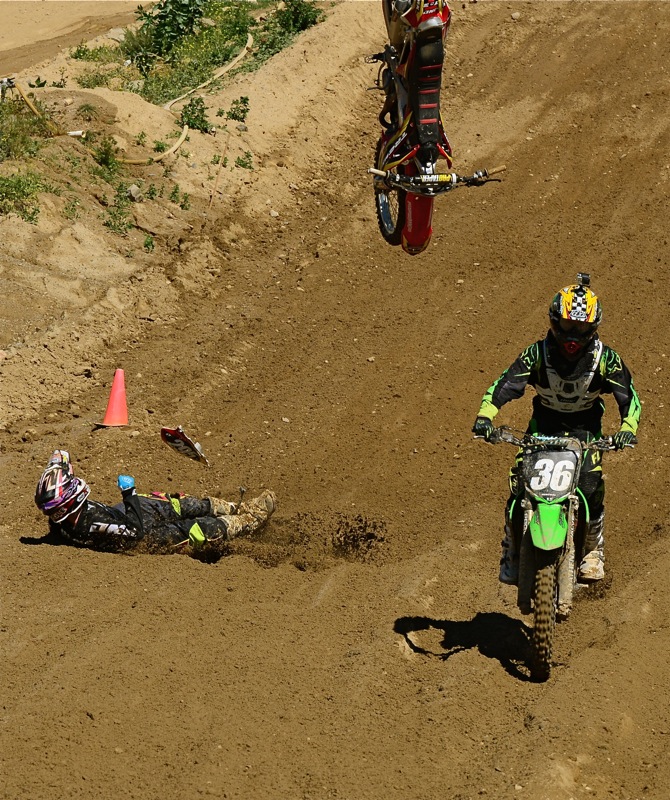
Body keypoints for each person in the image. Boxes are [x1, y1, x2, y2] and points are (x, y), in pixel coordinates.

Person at [472, 274, 640, 584]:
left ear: (593, 327)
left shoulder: (606, 359)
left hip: (585, 431)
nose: (573, 335)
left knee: (590, 483)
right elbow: (505, 385)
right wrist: (485, 417)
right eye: (567, 325)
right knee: (519, 484)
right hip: (542, 429)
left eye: (581, 328)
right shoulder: (537, 354)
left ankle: (593, 549)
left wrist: (627, 428)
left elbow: (628, 397)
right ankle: (511, 547)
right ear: (554, 320)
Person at [34, 449, 276, 559]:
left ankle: (235, 507)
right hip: (143, 536)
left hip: (121, 517)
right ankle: (248, 520)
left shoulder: (61, 520)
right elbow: (136, 531)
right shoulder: (93, 523)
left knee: (171, 503)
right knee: (197, 529)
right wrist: (129, 494)